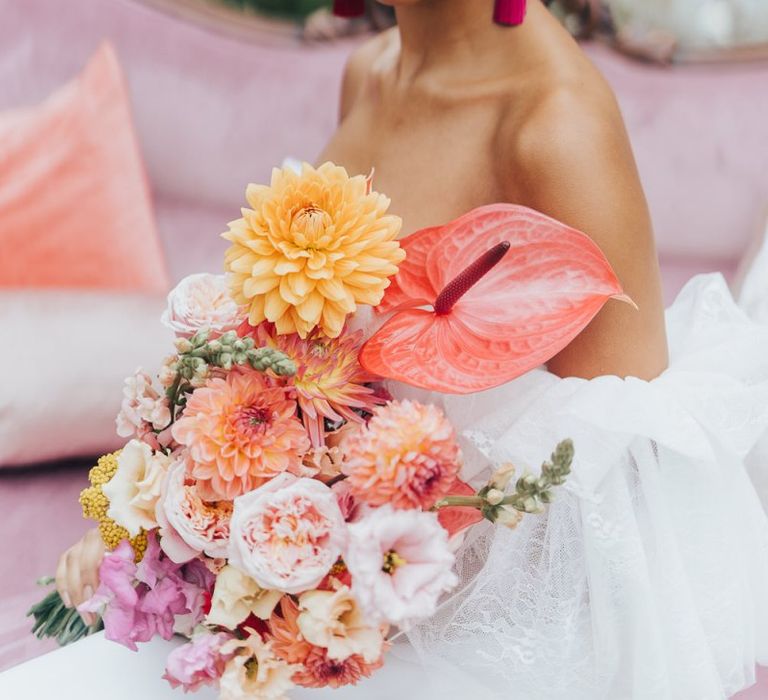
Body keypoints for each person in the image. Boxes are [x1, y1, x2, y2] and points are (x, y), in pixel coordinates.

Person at [57, 1, 768, 697]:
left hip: (461, 635)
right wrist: (156, 520)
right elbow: (311, 352)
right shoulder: (371, 68)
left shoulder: (554, 124)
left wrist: (366, 573)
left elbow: (636, 487)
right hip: (300, 593)